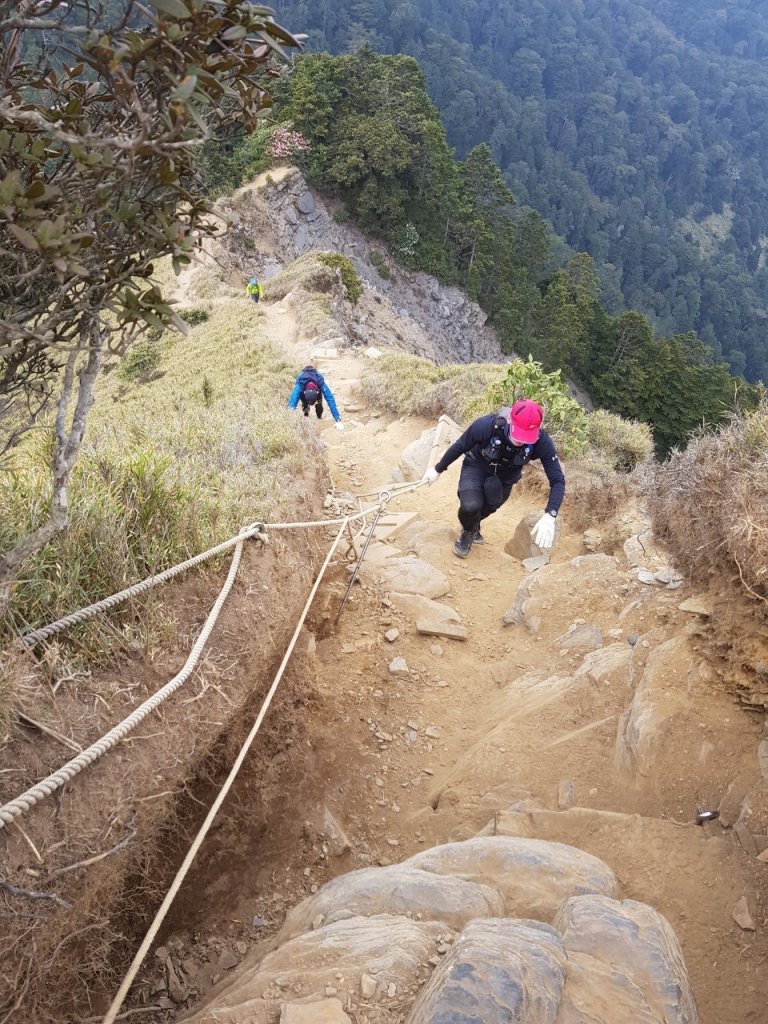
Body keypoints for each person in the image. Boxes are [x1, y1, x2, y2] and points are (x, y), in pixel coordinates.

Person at [422, 398, 564, 558]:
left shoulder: (541, 441)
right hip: (477, 465)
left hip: (506, 476)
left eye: (526, 438)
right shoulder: (487, 426)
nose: (520, 442)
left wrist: (550, 515)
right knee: (470, 506)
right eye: (518, 434)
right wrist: (437, 469)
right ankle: (468, 532)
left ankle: (474, 524)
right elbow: (461, 445)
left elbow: (557, 479)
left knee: (490, 506)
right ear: (509, 418)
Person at [288, 365, 344, 430]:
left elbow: (330, 398)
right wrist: (289, 422)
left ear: (317, 392)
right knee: (305, 405)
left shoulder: (320, 381)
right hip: (304, 387)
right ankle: (306, 414)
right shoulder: (300, 385)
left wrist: (337, 419)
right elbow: (292, 402)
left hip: (316, 385)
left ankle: (319, 417)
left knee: (319, 405)